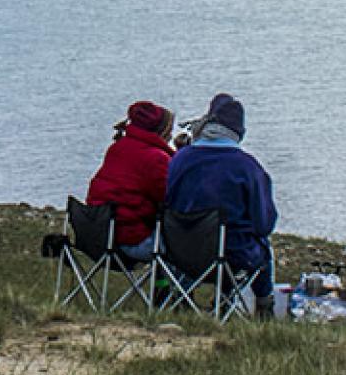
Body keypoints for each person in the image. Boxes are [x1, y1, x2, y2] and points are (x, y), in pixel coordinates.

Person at [165, 92, 277, 315]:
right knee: (262, 248)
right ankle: (264, 307)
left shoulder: (180, 159)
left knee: (218, 238)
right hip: (233, 256)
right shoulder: (248, 167)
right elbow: (264, 223)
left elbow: (170, 202)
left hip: (182, 254)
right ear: (239, 131)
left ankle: (181, 299)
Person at [85, 100, 176, 261]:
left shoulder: (117, 148)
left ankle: (163, 284)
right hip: (131, 240)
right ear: (162, 131)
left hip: (99, 236)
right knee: (187, 247)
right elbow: (170, 199)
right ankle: (175, 285)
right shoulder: (156, 158)